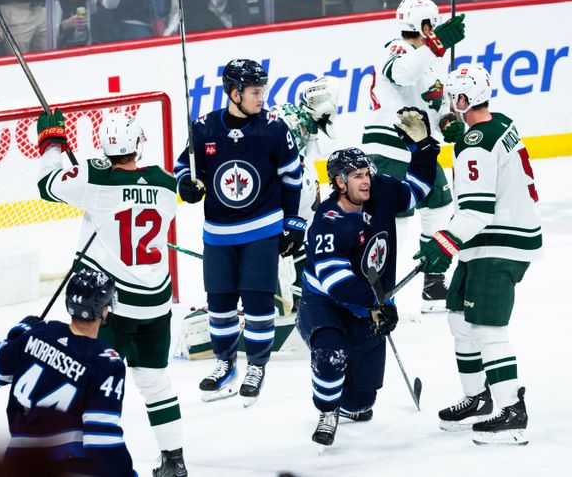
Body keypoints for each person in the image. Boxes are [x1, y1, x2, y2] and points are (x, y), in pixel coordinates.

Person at [36, 110, 187, 475]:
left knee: (90, 377)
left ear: (105, 146)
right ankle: (174, 461)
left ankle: (81, 457)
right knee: (153, 381)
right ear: (138, 145)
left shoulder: (92, 178)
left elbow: (46, 185)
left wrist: (52, 144)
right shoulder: (166, 184)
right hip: (157, 302)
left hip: (114, 307)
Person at [297, 107, 440, 446]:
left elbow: (417, 189)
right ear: (339, 182)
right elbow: (337, 283)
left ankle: (348, 402)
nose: (365, 180)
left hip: (368, 302)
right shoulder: (328, 221)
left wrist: (424, 149)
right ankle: (327, 410)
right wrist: (379, 302)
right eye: (356, 175)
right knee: (330, 355)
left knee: (362, 404)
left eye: (366, 172)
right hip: (325, 303)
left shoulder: (381, 190)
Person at [416, 65, 542, 446]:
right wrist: (459, 136)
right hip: (487, 241)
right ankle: (478, 397)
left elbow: (476, 210)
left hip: (498, 242)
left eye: (453, 100)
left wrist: (443, 242)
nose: (449, 107)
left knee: (488, 328)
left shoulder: (476, 143)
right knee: (458, 317)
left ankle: (511, 413)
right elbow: (478, 140)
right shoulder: (499, 123)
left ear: (464, 100)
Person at [174, 59, 304, 406]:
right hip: (217, 232)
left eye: (262, 90)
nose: (262, 97)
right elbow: (182, 167)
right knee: (219, 303)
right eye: (255, 92)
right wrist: (186, 184)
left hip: (262, 228)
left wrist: (292, 221)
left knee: (258, 300)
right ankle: (225, 362)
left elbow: (294, 177)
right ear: (234, 93)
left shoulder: (275, 128)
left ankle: (257, 365)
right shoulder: (203, 128)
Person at [362, 0, 465, 312]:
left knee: (439, 206)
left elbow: (434, 100)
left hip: (420, 147)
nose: (436, 30)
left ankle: (433, 285)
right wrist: (435, 46)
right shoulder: (396, 49)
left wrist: (448, 120)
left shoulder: (432, 59)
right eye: (432, 24)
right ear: (424, 26)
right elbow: (403, 74)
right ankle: (373, 293)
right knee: (395, 221)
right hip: (390, 146)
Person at [0, 268, 135, 476]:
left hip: (16, 464)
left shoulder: (40, 333)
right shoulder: (107, 363)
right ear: (105, 310)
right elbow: (102, 444)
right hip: (64, 468)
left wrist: (19, 332)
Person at [270, 75, 341, 310]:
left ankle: (304, 292)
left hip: (291, 192)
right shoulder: (287, 118)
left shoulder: (305, 122)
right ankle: (273, 295)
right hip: (275, 194)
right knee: (277, 241)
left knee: (309, 228)